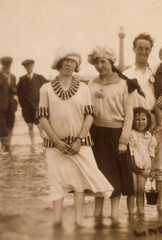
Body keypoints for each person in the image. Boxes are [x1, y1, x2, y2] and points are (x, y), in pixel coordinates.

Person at [37, 47, 113, 227]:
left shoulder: (83, 88)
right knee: (57, 184)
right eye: (66, 60)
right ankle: (57, 224)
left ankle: (78, 223)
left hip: (81, 144)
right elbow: (42, 117)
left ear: (76, 66)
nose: (69, 64)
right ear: (58, 63)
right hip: (55, 147)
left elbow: (89, 115)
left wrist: (79, 140)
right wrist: (56, 141)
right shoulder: (46, 88)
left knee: (80, 184)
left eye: (73, 62)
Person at [87, 45, 135, 227]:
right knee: (98, 175)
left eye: (103, 62)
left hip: (116, 135)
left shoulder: (123, 84)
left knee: (115, 176)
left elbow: (128, 113)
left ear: (111, 62)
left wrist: (124, 140)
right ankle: (97, 213)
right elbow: (86, 111)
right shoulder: (91, 84)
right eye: (97, 62)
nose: (100, 65)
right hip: (95, 135)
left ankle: (114, 214)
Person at [127, 33, 162, 211]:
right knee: (137, 165)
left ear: (151, 50)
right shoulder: (127, 74)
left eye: (147, 48)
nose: (143, 51)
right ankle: (139, 210)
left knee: (161, 165)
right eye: (140, 48)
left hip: (158, 118)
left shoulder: (157, 72)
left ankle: (160, 207)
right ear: (134, 49)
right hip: (137, 122)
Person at [129, 107, 157, 215]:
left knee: (140, 190)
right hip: (133, 165)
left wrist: (152, 170)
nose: (141, 122)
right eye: (137, 119)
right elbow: (130, 152)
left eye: (143, 119)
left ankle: (141, 212)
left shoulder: (149, 136)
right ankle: (131, 213)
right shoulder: (131, 134)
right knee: (133, 190)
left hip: (145, 166)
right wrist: (134, 167)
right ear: (132, 120)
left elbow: (152, 153)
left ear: (148, 120)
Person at [17, 59, 47, 146]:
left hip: (37, 107)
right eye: (26, 66)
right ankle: (33, 144)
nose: (28, 68)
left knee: (40, 127)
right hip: (26, 108)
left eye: (30, 65)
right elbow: (18, 93)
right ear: (24, 67)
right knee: (30, 127)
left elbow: (48, 88)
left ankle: (46, 143)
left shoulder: (39, 78)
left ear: (33, 66)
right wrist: (22, 105)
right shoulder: (22, 79)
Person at [0, 56, 17, 152]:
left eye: (9, 65)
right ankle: (4, 145)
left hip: (11, 106)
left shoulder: (13, 77)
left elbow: (15, 89)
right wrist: (4, 77)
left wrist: (14, 89)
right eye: (5, 65)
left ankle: (8, 144)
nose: (7, 66)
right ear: (2, 65)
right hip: (1, 106)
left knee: (10, 124)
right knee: (1, 126)